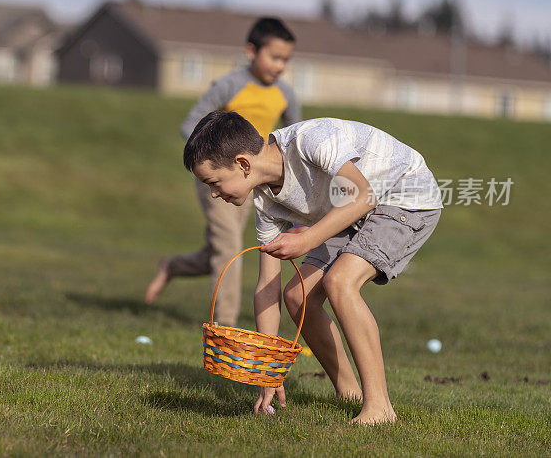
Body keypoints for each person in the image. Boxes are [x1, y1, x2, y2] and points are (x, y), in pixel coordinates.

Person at [183, 110, 443, 425]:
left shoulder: (311, 140)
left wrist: (306, 240)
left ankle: (380, 408)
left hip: (404, 194)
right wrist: (269, 370)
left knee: (340, 283)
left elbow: (362, 195)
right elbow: (268, 286)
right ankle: (350, 394)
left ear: (242, 164)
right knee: (298, 296)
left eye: (214, 182)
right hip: (351, 211)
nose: (213, 192)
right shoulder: (266, 203)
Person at [144, 17, 302, 327]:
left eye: (286, 59)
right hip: (217, 180)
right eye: (274, 56)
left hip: (251, 181)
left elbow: (295, 135)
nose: (280, 66)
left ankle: (173, 266)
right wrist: (217, 154)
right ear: (251, 51)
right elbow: (190, 124)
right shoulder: (228, 85)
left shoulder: (286, 93)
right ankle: (225, 328)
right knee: (229, 244)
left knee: (219, 249)